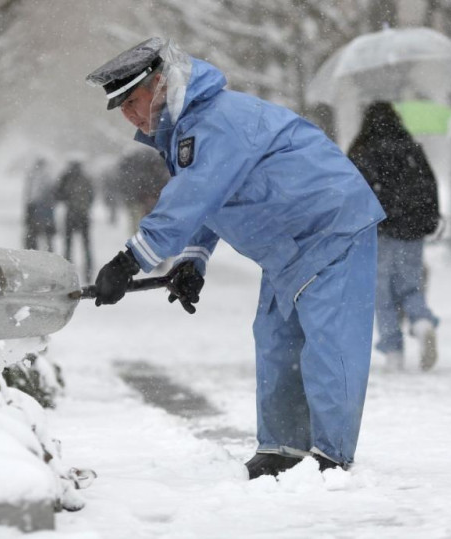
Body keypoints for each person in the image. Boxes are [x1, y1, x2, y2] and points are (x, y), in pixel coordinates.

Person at [85, 37, 385, 478]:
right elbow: (215, 199)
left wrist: (130, 260)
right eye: (121, 108)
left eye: (133, 101)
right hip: (287, 244)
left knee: (330, 342)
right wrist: (193, 259)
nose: (130, 115)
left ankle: (332, 454)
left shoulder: (217, 121)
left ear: (161, 84)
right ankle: (282, 447)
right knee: (275, 339)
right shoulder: (187, 128)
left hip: (330, 225)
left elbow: (192, 196)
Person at [347, 102, 440, 372]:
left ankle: (393, 352)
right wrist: (429, 219)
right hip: (411, 229)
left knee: (381, 293)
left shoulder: (361, 151)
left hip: (375, 230)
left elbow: (349, 190)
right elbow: (429, 186)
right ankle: (422, 323)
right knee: (410, 285)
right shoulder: (412, 149)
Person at [56, 160, 95, 279]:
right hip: (84, 215)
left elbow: (59, 195)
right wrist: (85, 205)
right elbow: (92, 196)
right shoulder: (86, 178)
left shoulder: (67, 178)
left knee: (68, 245)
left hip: (71, 215)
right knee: (86, 244)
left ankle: (67, 271)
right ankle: (88, 271)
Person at [23, 158, 57, 252]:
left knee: (35, 236)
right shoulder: (46, 178)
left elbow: (30, 196)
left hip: (37, 210)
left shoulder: (35, 177)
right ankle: (46, 256)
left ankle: (35, 254)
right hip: (40, 211)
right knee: (44, 237)